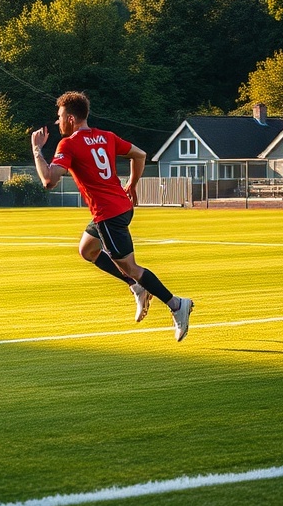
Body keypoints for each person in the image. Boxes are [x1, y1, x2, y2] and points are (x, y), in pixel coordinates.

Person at [31, 91, 193, 341]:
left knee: (130, 267)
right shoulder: (105, 136)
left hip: (108, 214)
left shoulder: (69, 143)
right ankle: (136, 286)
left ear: (71, 118)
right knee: (88, 250)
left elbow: (48, 180)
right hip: (119, 207)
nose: (57, 121)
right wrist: (133, 184)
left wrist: (36, 150)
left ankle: (176, 304)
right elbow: (139, 155)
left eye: (60, 116)